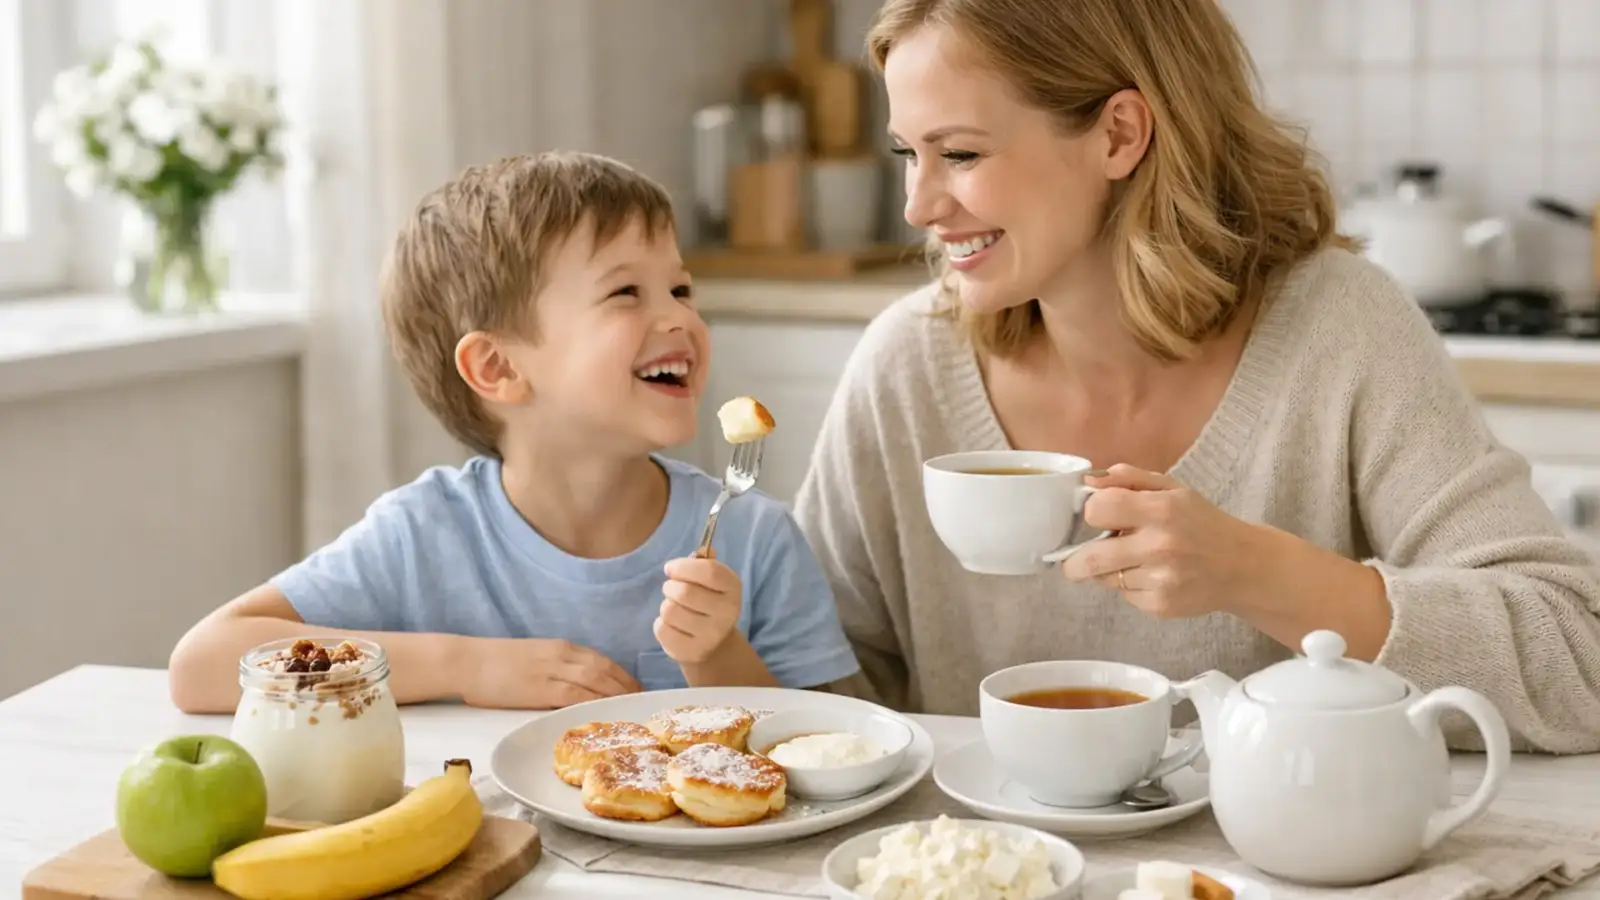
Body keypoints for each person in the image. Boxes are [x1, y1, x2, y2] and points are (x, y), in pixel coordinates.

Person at [794, 0, 1600, 754]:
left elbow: (1577, 661)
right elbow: (826, 700)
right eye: (908, 153)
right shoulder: (906, 364)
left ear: (1119, 134)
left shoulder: (1337, 328)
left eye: (960, 153)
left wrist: (1253, 571)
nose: (918, 205)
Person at [169, 151, 861, 713]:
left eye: (680, 290)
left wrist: (715, 657)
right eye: (627, 293)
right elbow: (204, 663)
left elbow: (830, 754)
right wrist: (469, 664)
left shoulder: (755, 540)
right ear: (497, 367)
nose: (679, 318)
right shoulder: (424, 535)